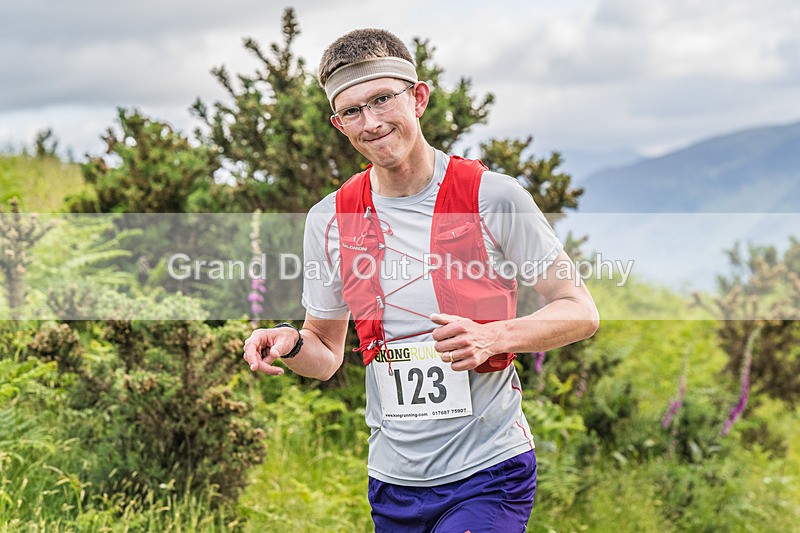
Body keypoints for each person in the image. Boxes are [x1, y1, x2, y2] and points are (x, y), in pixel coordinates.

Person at [243, 28, 599, 533]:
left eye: (383, 99)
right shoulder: (329, 219)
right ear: (338, 123)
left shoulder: (492, 197)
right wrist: (290, 341)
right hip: (393, 482)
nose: (371, 123)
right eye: (352, 111)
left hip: (489, 469)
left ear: (419, 97)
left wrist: (493, 335)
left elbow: (580, 310)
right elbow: (325, 354)